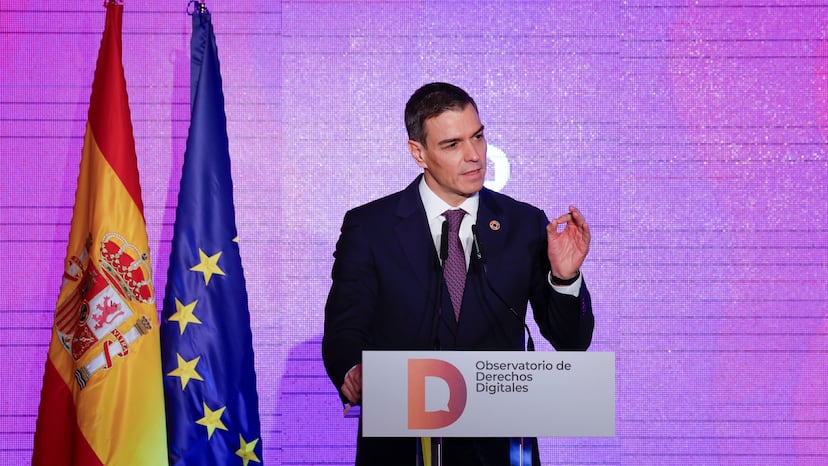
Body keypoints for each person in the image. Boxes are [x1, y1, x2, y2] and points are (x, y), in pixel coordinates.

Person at [322, 82, 594, 466]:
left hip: (499, 449)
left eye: (478, 137)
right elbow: (345, 326)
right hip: (402, 446)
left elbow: (571, 342)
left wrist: (565, 279)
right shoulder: (371, 227)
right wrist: (355, 371)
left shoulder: (523, 224)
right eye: (452, 144)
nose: (474, 156)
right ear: (418, 152)